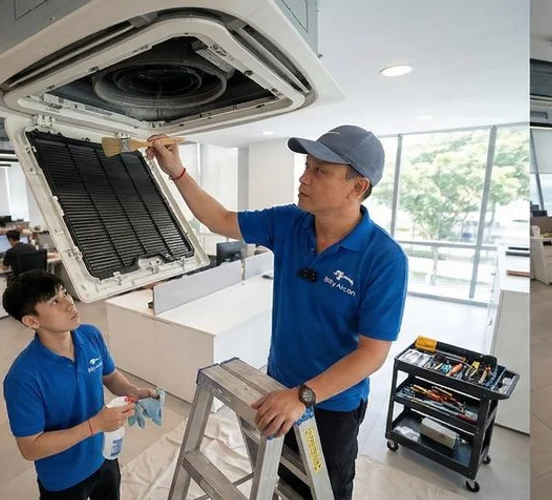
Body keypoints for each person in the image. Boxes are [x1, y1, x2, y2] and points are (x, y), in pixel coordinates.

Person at [147, 125, 406, 500]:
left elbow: (372, 353)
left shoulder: (384, 258)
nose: (304, 177)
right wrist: (178, 173)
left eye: (320, 171)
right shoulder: (290, 221)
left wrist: (303, 396)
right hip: (277, 385)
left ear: (357, 187)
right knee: (279, 478)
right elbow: (219, 219)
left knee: (324, 490)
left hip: (330, 405)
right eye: (307, 165)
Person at [1, 270, 154, 499]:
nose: (69, 303)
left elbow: (109, 376)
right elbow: (30, 447)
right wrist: (95, 425)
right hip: (64, 478)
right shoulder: (23, 378)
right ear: (32, 321)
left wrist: (133, 391)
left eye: (64, 293)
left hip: (104, 455)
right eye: (55, 301)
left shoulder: (90, 335)